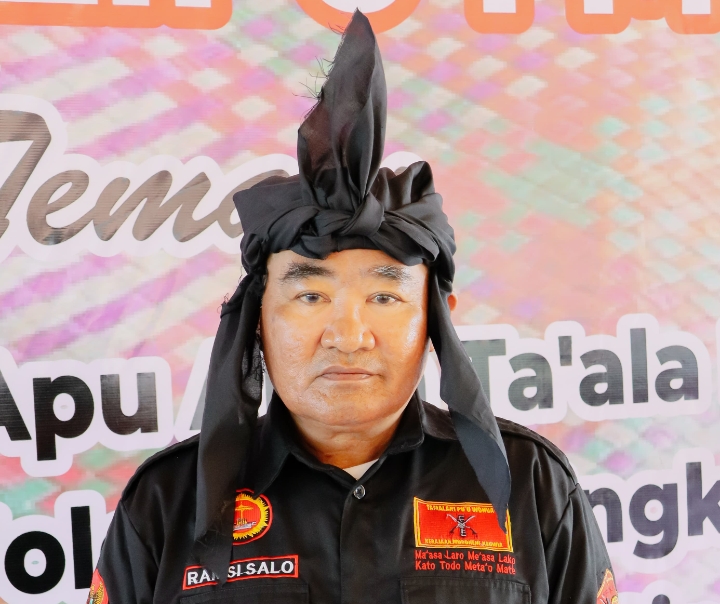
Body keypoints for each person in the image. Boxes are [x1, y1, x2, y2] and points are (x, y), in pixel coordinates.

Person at [87, 11, 618, 604]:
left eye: (384, 296)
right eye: (310, 295)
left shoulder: (533, 485)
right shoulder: (166, 502)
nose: (347, 334)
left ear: (437, 317)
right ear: (256, 317)